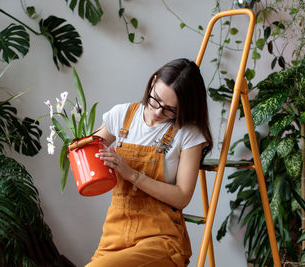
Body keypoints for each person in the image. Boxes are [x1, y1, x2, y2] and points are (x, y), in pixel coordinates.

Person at [86, 58, 213, 267]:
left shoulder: (188, 133)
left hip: (159, 237)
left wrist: (132, 175)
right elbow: (89, 153)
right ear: (153, 81)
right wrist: (89, 155)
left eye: (171, 109)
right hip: (114, 235)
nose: (157, 112)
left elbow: (182, 197)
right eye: (156, 100)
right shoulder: (122, 115)